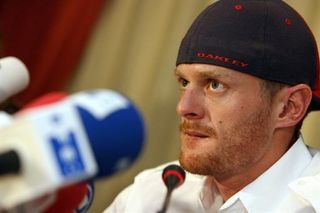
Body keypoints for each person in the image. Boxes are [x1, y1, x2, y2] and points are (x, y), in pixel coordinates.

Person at [105, 0, 320, 212]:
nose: (184, 107)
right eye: (184, 82)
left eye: (215, 85)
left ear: (289, 107)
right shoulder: (150, 195)